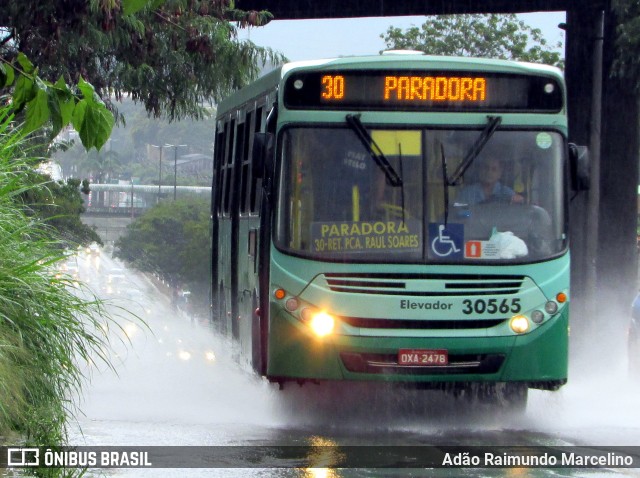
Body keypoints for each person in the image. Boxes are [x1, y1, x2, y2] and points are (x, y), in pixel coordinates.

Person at [455, 157, 524, 205]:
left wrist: (520, 200)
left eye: (494, 169)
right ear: (480, 170)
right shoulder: (466, 194)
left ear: (499, 173)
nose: (489, 172)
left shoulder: (508, 193)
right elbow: (458, 215)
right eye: (486, 168)